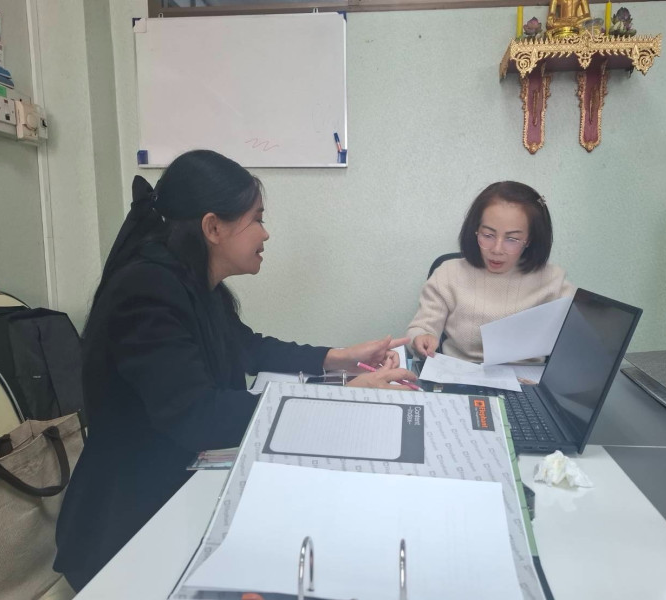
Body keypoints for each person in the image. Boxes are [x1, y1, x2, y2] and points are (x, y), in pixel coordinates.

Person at [53, 149, 415, 591]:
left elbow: (248, 348)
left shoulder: (191, 282)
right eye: (256, 219)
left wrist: (340, 357)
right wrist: (340, 397)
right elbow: (199, 414)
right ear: (213, 228)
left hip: (177, 491)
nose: (266, 232)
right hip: (130, 531)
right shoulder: (146, 290)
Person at [406, 181, 574, 363]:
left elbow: (582, 335)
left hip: (526, 377)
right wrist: (420, 338)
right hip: (460, 373)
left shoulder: (553, 281)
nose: (497, 249)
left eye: (512, 239)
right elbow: (421, 328)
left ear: (530, 239)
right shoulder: (448, 274)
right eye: (488, 235)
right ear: (475, 230)